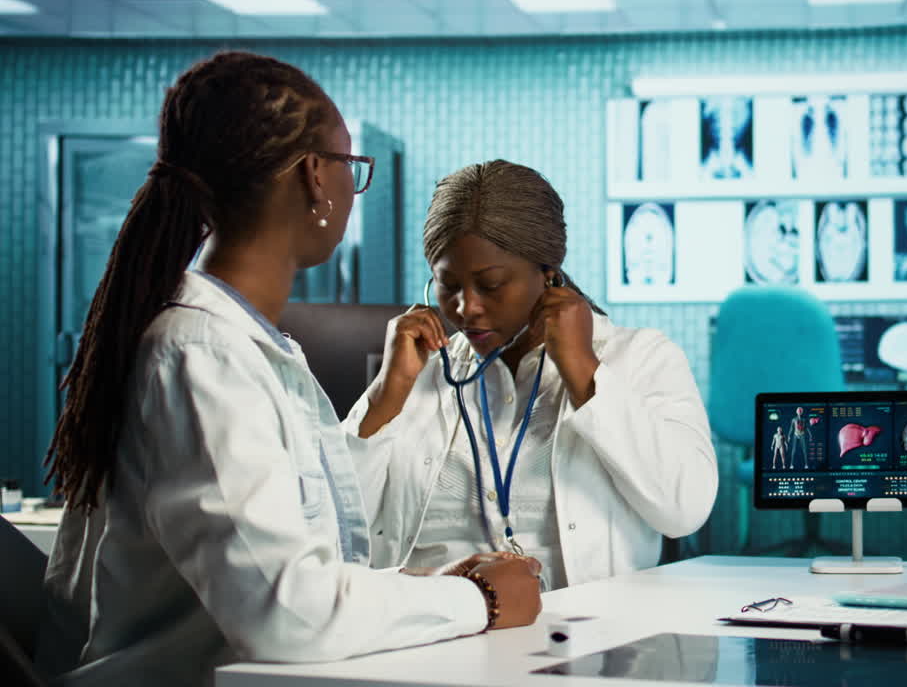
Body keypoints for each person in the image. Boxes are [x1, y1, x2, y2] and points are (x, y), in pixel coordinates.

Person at [38, 52, 541, 687]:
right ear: (313, 177)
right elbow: (285, 614)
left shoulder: (244, 344)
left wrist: (428, 588)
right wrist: (481, 603)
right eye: (350, 170)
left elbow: (294, 555)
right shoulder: (201, 352)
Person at [348, 159, 718, 590]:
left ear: (547, 275)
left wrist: (582, 371)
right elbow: (325, 526)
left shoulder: (640, 358)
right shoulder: (418, 375)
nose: (467, 308)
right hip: (428, 634)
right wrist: (384, 399)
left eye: (490, 285)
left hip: (585, 641)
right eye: (448, 286)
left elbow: (685, 509)